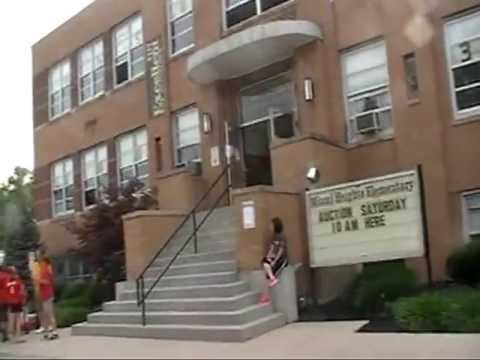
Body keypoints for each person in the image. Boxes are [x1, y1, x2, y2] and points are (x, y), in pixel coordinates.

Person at [259, 217, 288, 304]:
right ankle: (272, 280)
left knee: (268, 273)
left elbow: (281, 250)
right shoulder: (273, 237)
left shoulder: (281, 236)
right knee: (264, 263)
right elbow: (272, 248)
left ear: (276, 226)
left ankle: (266, 294)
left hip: (282, 260)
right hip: (275, 258)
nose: (270, 227)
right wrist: (268, 257)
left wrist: (274, 261)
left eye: (271, 225)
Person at [38, 254, 58, 340]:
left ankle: (53, 332)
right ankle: (47, 332)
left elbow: (47, 282)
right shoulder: (45, 270)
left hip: (47, 295)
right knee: (46, 314)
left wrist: (38, 280)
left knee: (49, 313)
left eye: (41, 262)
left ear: (44, 262)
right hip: (45, 295)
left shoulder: (46, 271)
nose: (40, 263)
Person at [6, 266, 27, 344]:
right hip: (17, 301)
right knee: (18, 319)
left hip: (10, 301)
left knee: (11, 319)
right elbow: (22, 291)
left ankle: (11, 335)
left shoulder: (7, 281)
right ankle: (18, 336)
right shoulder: (18, 281)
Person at [29, 251, 45, 334]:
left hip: (43, 289)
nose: (37, 257)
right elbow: (31, 271)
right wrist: (31, 259)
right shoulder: (35, 265)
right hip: (37, 288)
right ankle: (42, 325)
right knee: (39, 308)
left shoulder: (44, 265)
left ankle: (47, 325)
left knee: (45, 308)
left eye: (38, 255)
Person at [0, 265, 10, 342]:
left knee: (2, 316)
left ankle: (3, 330)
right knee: (5, 315)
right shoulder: (6, 276)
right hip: (5, 298)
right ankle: (5, 333)